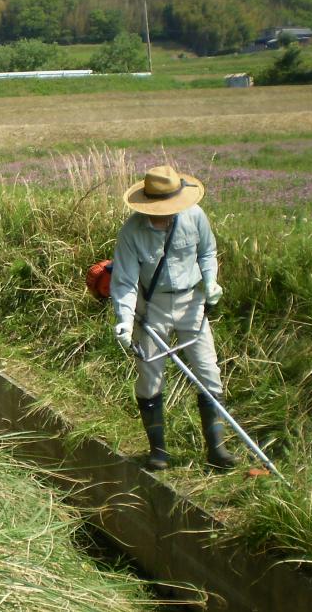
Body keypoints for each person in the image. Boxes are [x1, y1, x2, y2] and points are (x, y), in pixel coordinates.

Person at [110, 165, 238, 472]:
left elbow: (208, 252)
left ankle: (217, 450)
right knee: (150, 376)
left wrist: (210, 281)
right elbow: (125, 281)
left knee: (208, 371)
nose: (164, 215)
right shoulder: (131, 232)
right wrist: (125, 320)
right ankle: (158, 452)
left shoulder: (195, 217)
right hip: (152, 307)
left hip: (191, 302)